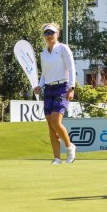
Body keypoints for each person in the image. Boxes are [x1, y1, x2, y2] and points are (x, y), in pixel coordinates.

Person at [33, 23, 77, 164]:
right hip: (48, 89)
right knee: (50, 124)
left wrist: (72, 88)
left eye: (51, 33)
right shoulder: (43, 53)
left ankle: (70, 147)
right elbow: (44, 74)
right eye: (46, 33)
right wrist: (39, 86)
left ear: (57, 34)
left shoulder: (63, 48)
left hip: (62, 87)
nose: (49, 36)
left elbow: (71, 69)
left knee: (55, 121)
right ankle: (57, 158)